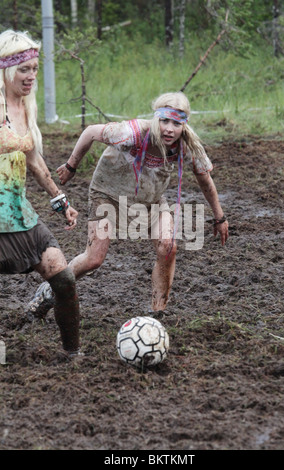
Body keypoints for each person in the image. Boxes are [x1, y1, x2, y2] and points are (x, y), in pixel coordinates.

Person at [26, 91, 228, 317]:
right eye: (164, 121)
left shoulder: (188, 144)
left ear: (184, 125)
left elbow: (204, 179)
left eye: (176, 123)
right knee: (94, 259)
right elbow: (91, 132)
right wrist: (72, 166)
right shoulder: (132, 132)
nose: (169, 129)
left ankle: (156, 315)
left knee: (168, 247)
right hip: (108, 196)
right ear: (156, 119)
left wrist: (219, 217)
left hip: (150, 201)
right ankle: (50, 289)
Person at [0, 30, 82, 358]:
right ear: (5, 70)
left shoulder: (25, 109)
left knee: (63, 279)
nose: (31, 76)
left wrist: (60, 200)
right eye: (24, 69)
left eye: (35, 68)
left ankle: (71, 354)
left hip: (19, 213)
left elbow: (33, 159)